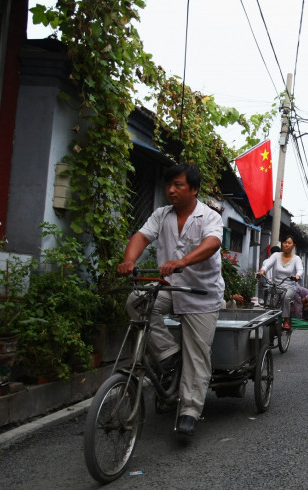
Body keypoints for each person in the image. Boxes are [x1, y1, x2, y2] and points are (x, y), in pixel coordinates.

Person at [117, 163, 224, 436]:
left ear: (194, 189)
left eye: (178, 185)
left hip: (201, 294)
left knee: (197, 354)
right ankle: (167, 353)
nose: (171, 190)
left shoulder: (209, 217)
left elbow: (212, 244)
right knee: (136, 300)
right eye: (169, 185)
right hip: (169, 285)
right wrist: (129, 260)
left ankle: (189, 410)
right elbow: (141, 236)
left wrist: (183, 261)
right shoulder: (161, 215)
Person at [259, 235, 303, 329]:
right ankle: (269, 318)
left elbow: (300, 269)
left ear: (293, 245)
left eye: (289, 243)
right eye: (285, 242)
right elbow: (267, 265)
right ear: (282, 244)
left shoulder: (296, 259)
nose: (287, 245)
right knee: (269, 301)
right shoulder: (275, 255)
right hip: (276, 285)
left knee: (286, 297)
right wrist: (262, 271)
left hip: (289, 286)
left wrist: (297, 276)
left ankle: (286, 320)